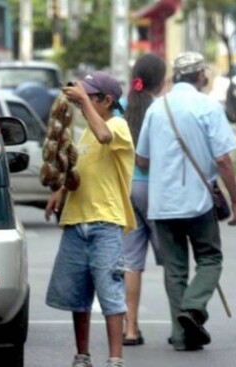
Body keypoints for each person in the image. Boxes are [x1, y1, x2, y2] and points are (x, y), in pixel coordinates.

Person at [135, 51, 236, 351]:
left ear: (176, 77)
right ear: (201, 76)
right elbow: (223, 159)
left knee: (175, 269)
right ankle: (193, 308)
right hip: (198, 202)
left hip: (163, 203)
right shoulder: (208, 106)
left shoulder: (157, 110)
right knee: (210, 258)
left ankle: (182, 337)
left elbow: (142, 161)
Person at [44, 71, 136, 367]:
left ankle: (115, 359)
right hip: (76, 221)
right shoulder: (85, 132)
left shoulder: (117, 125)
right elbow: (78, 170)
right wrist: (60, 190)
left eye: (90, 96)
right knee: (78, 296)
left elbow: (104, 136)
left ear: (107, 101)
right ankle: (82, 355)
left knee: (110, 292)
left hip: (105, 223)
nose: (82, 102)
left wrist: (81, 100)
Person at [121, 53, 167, 346]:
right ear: (161, 82)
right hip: (156, 191)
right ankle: (181, 326)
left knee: (131, 263)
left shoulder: (122, 108)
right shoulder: (161, 110)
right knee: (173, 260)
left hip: (127, 190)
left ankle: (130, 329)